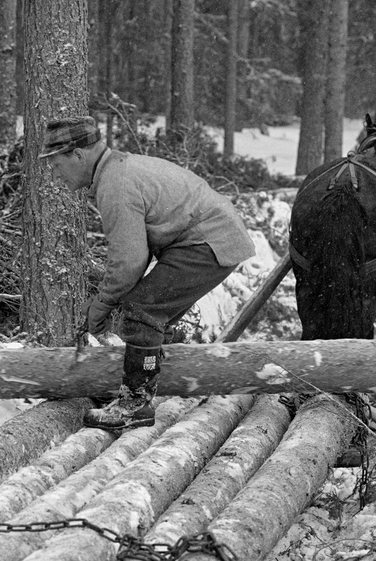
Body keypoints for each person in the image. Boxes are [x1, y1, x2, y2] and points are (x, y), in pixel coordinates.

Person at [40, 115, 254, 431]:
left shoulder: (116, 183)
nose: (54, 173)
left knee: (141, 311)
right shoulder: (117, 170)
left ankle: (135, 403)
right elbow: (132, 263)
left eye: (56, 165)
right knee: (147, 314)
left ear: (78, 155)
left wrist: (100, 307)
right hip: (211, 238)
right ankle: (139, 380)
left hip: (209, 241)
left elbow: (129, 262)